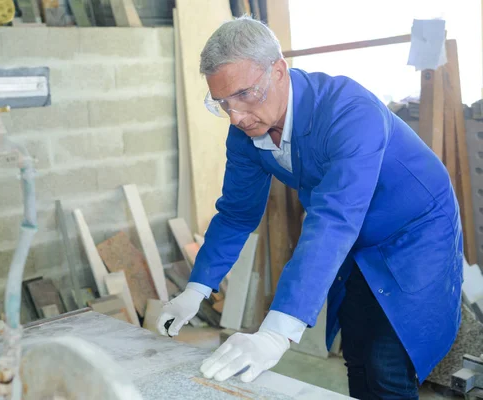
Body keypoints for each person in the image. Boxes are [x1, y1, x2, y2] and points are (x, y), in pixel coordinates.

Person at [156, 15, 463, 400]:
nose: (235, 116)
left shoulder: (349, 112)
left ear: (279, 72)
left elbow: (333, 220)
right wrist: (195, 289)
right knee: (357, 352)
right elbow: (237, 214)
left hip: (414, 229)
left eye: (245, 95)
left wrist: (275, 332)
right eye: (222, 103)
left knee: (388, 363)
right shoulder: (247, 129)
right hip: (354, 231)